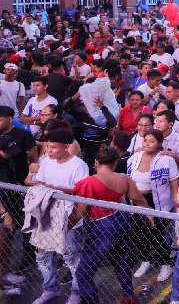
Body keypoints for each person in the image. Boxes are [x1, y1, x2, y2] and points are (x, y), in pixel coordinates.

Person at [72, 146, 150, 304]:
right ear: (114, 163)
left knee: (83, 272)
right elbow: (139, 200)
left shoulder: (88, 182)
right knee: (121, 261)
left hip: (101, 227)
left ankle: (92, 301)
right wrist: (149, 215)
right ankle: (129, 297)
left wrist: (66, 225)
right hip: (122, 221)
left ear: (96, 162)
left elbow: (80, 212)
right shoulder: (124, 179)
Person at [26, 126, 90, 304]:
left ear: (66, 146)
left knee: (71, 257)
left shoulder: (79, 166)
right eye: (47, 146)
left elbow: (81, 194)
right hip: (45, 217)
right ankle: (50, 289)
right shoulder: (46, 161)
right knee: (42, 255)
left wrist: (72, 219)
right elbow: (37, 182)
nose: (48, 150)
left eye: (53, 147)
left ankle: (77, 292)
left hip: (67, 218)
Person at [127, 128, 179, 281]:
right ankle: (146, 260)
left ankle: (166, 264)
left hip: (158, 202)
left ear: (159, 143)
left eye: (152, 141)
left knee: (155, 234)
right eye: (145, 140)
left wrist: (178, 205)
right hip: (136, 201)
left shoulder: (166, 160)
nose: (147, 144)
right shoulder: (134, 158)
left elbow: (174, 183)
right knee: (139, 233)